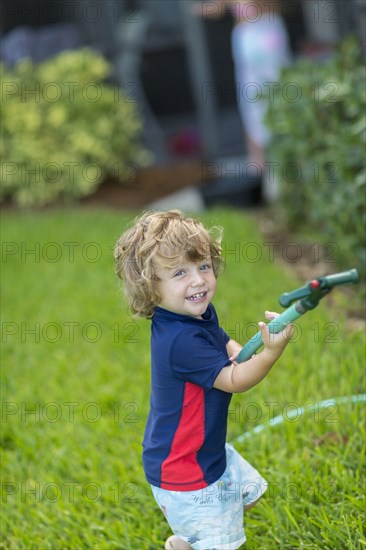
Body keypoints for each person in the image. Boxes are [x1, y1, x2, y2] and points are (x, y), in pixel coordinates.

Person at [114, 209, 293, 549]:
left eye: (203, 266)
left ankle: (187, 542)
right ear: (151, 287)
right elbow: (234, 379)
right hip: (185, 471)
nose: (197, 280)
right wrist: (269, 354)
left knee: (247, 497)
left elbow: (222, 341)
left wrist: (244, 349)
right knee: (223, 540)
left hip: (203, 451)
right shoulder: (179, 341)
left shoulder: (195, 313)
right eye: (179, 272)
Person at [193, 0, 292, 190]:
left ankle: (271, 170)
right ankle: (263, 174)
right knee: (260, 103)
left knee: (266, 102)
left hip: (260, 36)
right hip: (257, 37)